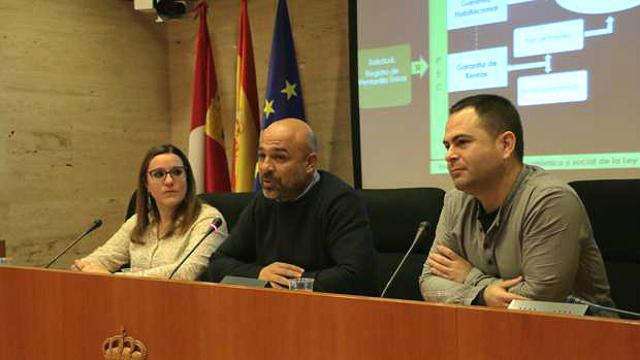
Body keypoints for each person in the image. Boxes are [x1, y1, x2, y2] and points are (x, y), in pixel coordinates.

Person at [419, 94, 614, 312]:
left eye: (462, 142)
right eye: (447, 146)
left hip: (584, 336)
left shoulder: (550, 200)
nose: (449, 155)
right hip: (492, 332)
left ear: (506, 144)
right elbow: (429, 280)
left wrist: (471, 278)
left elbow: (537, 300)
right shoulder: (456, 200)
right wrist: (482, 295)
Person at [208, 118, 376, 295]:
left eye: (279, 157)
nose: (265, 167)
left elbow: (356, 276)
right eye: (262, 156)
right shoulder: (264, 202)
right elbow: (218, 263)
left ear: (310, 163)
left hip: (330, 315)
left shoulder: (340, 201)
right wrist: (259, 274)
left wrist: (290, 284)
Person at [72, 144, 228, 280]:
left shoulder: (209, 221)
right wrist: (86, 268)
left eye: (177, 172)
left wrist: (114, 279)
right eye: (159, 174)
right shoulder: (138, 221)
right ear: (146, 184)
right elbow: (98, 260)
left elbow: (187, 271)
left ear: (187, 177)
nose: (169, 181)